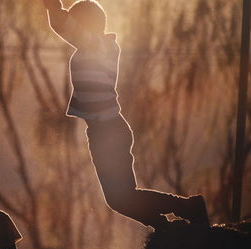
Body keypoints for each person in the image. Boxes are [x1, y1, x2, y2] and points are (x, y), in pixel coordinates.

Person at [43, 0, 209, 230]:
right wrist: (54, 11)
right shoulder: (92, 48)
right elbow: (66, 29)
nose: (72, 31)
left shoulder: (100, 47)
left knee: (121, 198)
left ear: (86, 25)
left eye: (76, 23)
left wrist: (53, 9)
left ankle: (187, 208)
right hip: (103, 130)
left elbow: (66, 27)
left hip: (108, 130)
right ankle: (165, 224)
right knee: (120, 199)